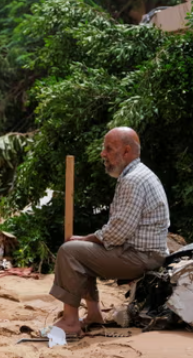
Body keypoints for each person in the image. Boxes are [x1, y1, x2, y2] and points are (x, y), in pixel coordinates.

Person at [49, 127, 170, 336]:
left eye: (108, 149)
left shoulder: (133, 180)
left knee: (70, 251)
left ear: (126, 151)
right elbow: (118, 231)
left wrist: (86, 239)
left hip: (142, 257)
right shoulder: (139, 174)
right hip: (146, 253)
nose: (103, 154)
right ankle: (94, 314)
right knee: (81, 250)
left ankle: (70, 322)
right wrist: (89, 241)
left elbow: (118, 232)